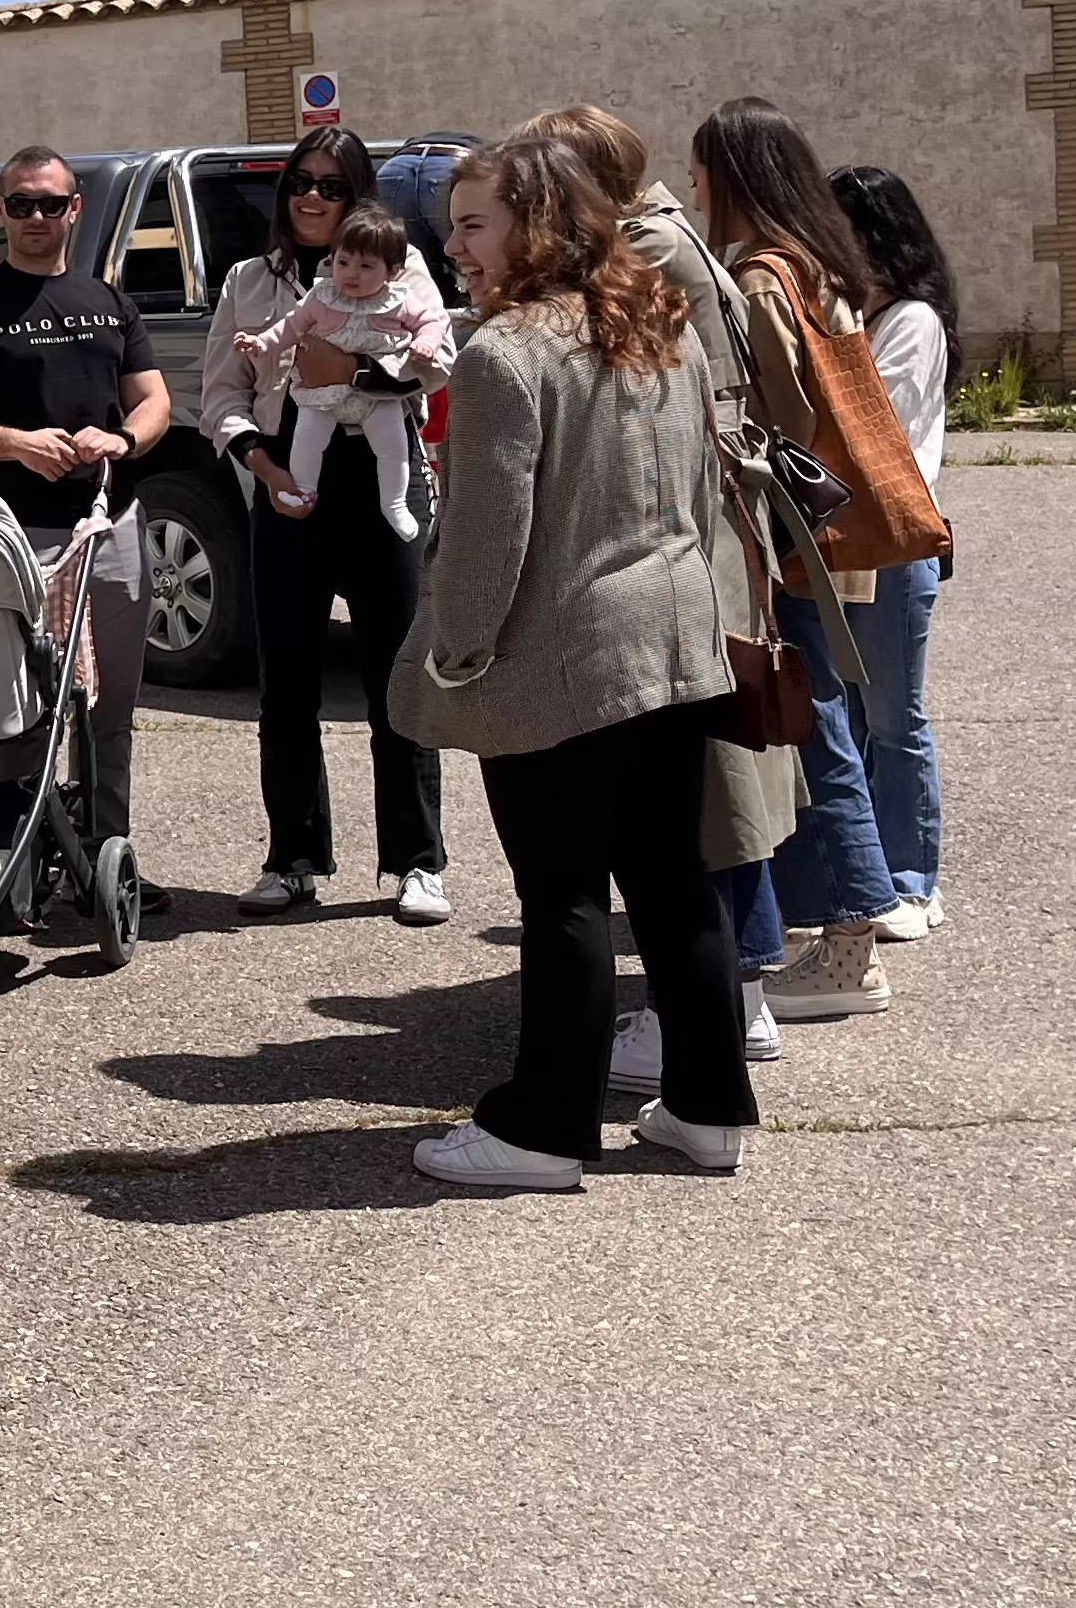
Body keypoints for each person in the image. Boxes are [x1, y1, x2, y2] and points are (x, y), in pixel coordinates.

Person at [391, 133, 754, 1192]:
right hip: (676, 634)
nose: (451, 244)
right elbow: (698, 493)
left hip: (568, 655)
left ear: (536, 225)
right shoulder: (660, 326)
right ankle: (707, 1106)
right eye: (450, 223)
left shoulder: (507, 354)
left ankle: (543, 1130)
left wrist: (455, 657)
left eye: (473, 224)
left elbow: (484, 541)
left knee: (562, 896)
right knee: (673, 882)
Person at [514, 106, 799, 1078]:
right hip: (698, 531)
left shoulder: (649, 252)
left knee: (709, 800)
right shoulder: (666, 240)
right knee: (701, 799)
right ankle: (725, 999)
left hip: (688, 535)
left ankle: (738, 995)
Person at [198, 124, 451, 925]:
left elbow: (435, 363)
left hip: (380, 476)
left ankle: (417, 861)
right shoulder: (250, 279)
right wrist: (262, 469)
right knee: (288, 684)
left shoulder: (403, 268)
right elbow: (221, 396)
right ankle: (293, 856)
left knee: (397, 679)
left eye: (332, 186)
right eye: (300, 183)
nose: (312, 197)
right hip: (290, 477)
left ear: (358, 196)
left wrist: (354, 369)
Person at [0, 143, 171, 892]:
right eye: (20, 203)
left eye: (50, 203)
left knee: (109, 711)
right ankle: (15, 869)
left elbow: (154, 402)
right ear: (0, 211)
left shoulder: (110, 301)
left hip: (109, 529)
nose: (35, 216)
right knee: (20, 714)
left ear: (73, 209)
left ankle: (108, 865)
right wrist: (13, 444)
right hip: (12, 539)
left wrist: (121, 438)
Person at [690, 98, 899, 1024]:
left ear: (736, 178)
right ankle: (844, 925)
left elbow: (785, 421)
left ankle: (853, 939)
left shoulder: (766, 277)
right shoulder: (823, 263)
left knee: (818, 729)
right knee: (829, 719)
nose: (694, 190)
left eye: (702, 174)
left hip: (795, 536)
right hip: (834, 531)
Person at [831, 163, 957, 942]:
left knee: (892, 719)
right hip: (839, 542)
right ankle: (864, 875)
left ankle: (914, 882)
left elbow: (866, 423)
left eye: (840, 232)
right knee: (843, 717)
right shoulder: (853, 318)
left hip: (893, 542)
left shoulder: (909, 321)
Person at [232, 202, 447, 538]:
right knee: (307, 439)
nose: (351, 274)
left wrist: (427, 344)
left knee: (392, 446)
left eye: (365, 266)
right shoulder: (321, 297)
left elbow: (431, 321)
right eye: (343, 262)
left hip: (377, 392)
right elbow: (290, 327)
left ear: (391, 272)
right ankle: (304, 489)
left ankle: (395, 503)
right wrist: (261, 343)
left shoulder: (398, 299)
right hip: (323, 393)